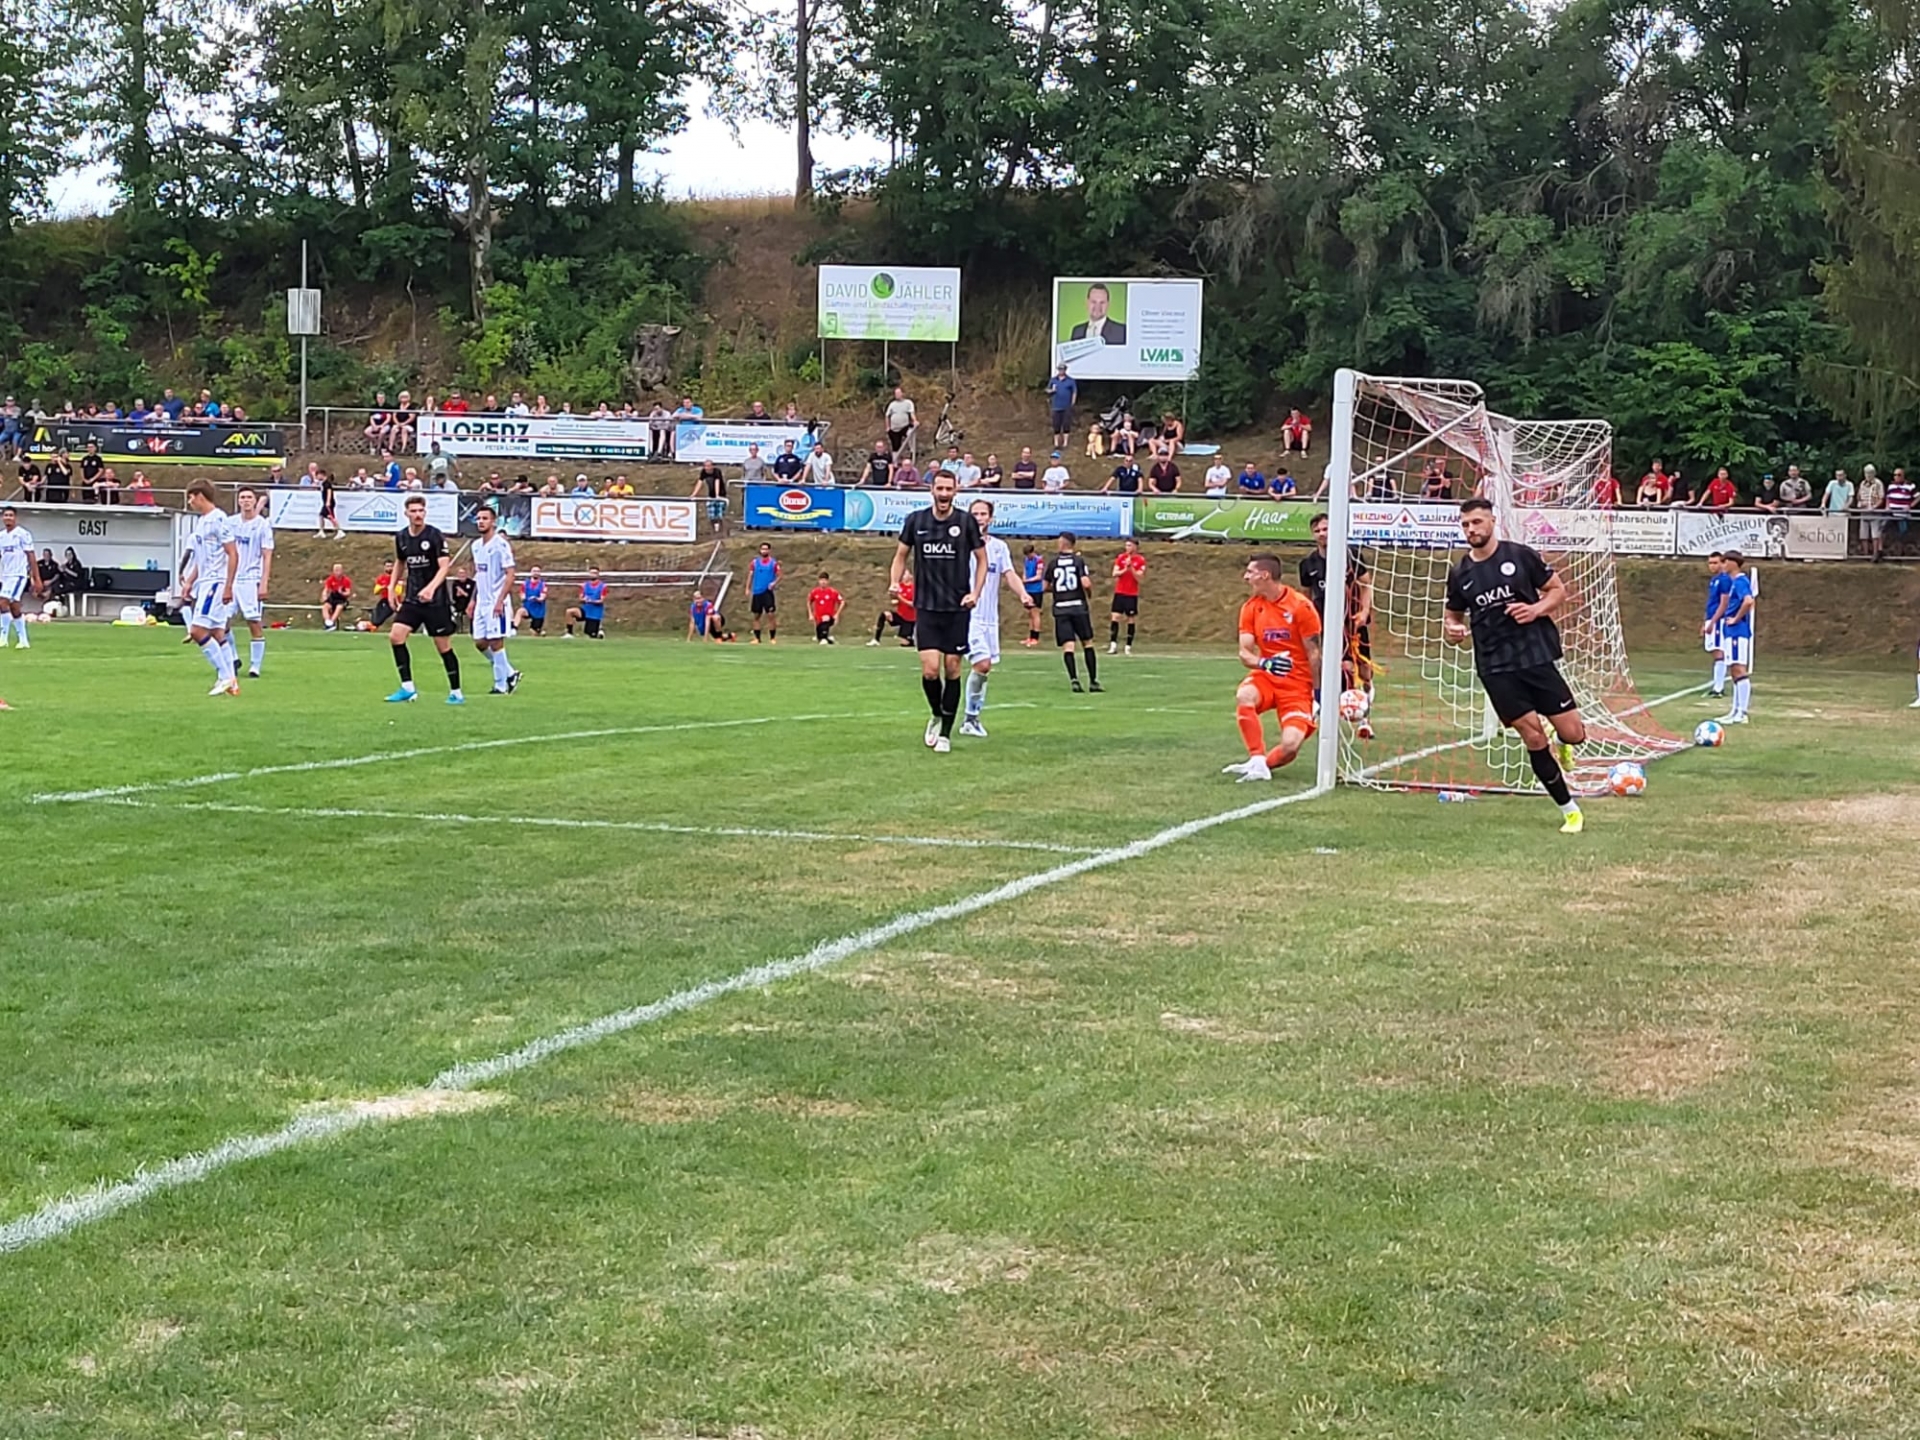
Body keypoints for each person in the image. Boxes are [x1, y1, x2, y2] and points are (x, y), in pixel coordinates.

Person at [1442, 497, 1587, 833]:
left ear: (1492, 522)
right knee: (1533, 738)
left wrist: (1535, 610)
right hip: (1495, 666)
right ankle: (1571, 812)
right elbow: (1452, 616)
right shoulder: (1461, 573)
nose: (1471, 529)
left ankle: (1562, 740)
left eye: (1477, 522)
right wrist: (1453, 629)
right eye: (1465, 525)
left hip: (1535, 657)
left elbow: (1557, 590)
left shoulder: (1520, 556)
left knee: (1574, 734)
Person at [889, 471, 988, 752]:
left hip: (957, 608)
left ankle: (945, 734)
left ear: (956, 491)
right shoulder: (916, 521)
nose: (944, 494)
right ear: (931, 489)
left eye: (949, 489)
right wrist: (894, 581)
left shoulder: (966, 522)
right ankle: (936, 714)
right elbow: (900, 556)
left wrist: (975, 593)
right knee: (931, 670)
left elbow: (982, 560)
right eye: (940, 488)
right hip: (927, 606)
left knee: (952, 667)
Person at [1222, 555, 1324, 783]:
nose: (1245, 577)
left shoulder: (1301, 607)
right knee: (1245, 695)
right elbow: (1245, 652)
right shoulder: (1251, 607)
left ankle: (1262, 766)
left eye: (1250, 572)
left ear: (1265, 575)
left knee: (1291, 745)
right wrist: (1265, 664)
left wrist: (1317, 694)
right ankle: (1256, 757)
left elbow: (1314, 653)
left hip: (1297, 686)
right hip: (1267, 677)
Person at [1299, 512, 1375, 736]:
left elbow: (1366, 585)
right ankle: (1325, 706)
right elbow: (1305, 596)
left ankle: (1366, 708)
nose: (1322, 534)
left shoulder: (1351, 555)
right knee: (1336, 665)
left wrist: (1364, 611)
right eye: (1317, 531)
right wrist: (1306, 619)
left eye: (1326, 529)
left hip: (1352, 620)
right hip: (1325, 621)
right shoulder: (1308, 564)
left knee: (1365, 671)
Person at [959, 499, 1029, 738]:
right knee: (982, 663)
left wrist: (1023, 594)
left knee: (984, 670)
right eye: (975, 514)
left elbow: (1009, 574)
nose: (979, 518)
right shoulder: (961, 544)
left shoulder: (999, 547)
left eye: (983, 514)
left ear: (990, 518)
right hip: (968, 615)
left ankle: (972, 719)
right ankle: (967, 718)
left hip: (990, 618)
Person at [386, 494, 463, 703]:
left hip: (435, 601)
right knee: (396, 637)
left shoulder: (434, 535)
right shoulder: (402, 537)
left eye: (421, 510)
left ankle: (456, 692)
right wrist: (392, 587)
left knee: (443, 646)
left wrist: (430, 588)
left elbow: (444, 566)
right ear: (406, 513)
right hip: (412, 599)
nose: (418, 515)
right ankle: (407, 687)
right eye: (413, 511)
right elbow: (400, 562)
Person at [178, 480, 241, 696]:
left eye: (191, 497)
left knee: (197, 631)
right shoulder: (202, 521)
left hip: (216, 582)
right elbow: (202, 558)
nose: (190, 502)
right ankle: (232, 682)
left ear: (200, 496)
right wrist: (190, 581)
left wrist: (228, 586)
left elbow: (232, 553)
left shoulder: (219, 519)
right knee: (216, 632)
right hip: (205, 581)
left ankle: (225, 676)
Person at [469, 503, 521, 695]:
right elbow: (479, 574)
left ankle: (501, 685)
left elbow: (510, 574)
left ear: (493, 522)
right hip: (481, 601)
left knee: (496, 641)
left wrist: (500, 600)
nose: (481, 522)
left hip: (496, 601)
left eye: (485, 518)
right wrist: (473, 600)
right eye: (479, 519)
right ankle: (510, 672)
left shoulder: (501, 545)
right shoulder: (476, 546)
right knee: (480, 642)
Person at [1045, 531, 1101, 693]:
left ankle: (1074, 680)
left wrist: (1057, 590)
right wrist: (1088, 594)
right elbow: (1086, 583)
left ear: (1063, 543)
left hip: (1061, 608)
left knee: (1068, 646)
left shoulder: (1053, 563)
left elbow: (1044, 586)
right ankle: (1093, 681)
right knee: (1087, 642)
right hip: (1078, 606)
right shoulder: (1078, 561)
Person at [230, 485, 276, 678]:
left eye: (249, 497)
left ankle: (255, 666)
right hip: (231, 578)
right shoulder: (231, 523)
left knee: (253, 622)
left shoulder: (262, 525)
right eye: (242, 497)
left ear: (255, 501)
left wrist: (264, 583)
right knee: (221, 622)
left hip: (251, 579)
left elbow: (267, 555)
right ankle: (233, 658)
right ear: (238, 501)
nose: (246, 500)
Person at [1715, 550, 1756, 725]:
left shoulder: (1740, 581)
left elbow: (1749, 601)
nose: (1722, 565)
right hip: (1731, 631)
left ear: (1733, 563)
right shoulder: (1734, 582)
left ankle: (1742, 713)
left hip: (1737, 631)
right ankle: (1735, 710)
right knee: (1733, 670)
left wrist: (1736, 619)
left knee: (1739, 668)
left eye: (1725, 562)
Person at [0, 507, 41, 648]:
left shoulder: (23, 534)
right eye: (6, 515)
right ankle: (23, 640)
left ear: (15, 518)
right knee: (14, 607)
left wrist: (36, 579)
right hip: (5, 575)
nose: (8, 518)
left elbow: (31, 556)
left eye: (11, 515)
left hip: (18, 575)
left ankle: (3, 638)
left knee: (2, 602)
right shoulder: (1, 536)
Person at [1700, 552, 1732, 697]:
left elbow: (1724, 603)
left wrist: (1713, 622)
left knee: (1719, 652)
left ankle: (1718, 688)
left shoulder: (1725, 580)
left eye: (1715, 563)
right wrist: (1705, 621)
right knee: (1714, 651)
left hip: (1718, 620)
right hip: (1711, 617)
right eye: (1710, 563)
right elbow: (1711, 602)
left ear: (1722, 563)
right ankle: (1717, 686)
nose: (1712, 566)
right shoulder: (1714, 580)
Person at [1109, 537, 1145, 654]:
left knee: (1130, 619)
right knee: (1115, 617)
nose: (1127, 548)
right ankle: (1113, 645)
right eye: (1126, 545)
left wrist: (1131, 568)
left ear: (1135, 546)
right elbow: (1115, 573)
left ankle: (1128, 646)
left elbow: (1140, 578)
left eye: (1129, 545)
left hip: (1131, 594)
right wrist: (1125, 569)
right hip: (1120, 592)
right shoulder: (1121, 558)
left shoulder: (1140, 560)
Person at [869, 573, 916, 646]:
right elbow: (895, 598)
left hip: (910, 619)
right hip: (900, 615)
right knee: (885, 614)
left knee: (904, 643)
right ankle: (876, 640)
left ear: (911, 576)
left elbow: (913, 604)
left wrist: (900, 598)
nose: (902, 576)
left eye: (905, 574)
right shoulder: (900, 586)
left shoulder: (914, 588)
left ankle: (912, 638)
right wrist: (893, 597)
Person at [748, 542, 780, 643]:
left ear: (769, 550)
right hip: (757, 592)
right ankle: (757, 638)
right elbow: (750, 575)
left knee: (770, 615)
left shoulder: (773, 563)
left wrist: (774, 583)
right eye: (762, 549)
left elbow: (780, 575)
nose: (764, 551)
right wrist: (747, 588)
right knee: (756, 616)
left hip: (767, 592)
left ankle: (772, 638)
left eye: (766, 549)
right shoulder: (755, 562)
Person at [565, 568, 608, 639]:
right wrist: (583, 599)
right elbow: (580, 598)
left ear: (598, 574)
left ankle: (599, 631)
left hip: (594, 613)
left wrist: (591, 601)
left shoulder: (602, 586)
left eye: (595, 573)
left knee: (590, 634)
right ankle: (569, 633)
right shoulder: (585, 585)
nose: (593, 575)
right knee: (569, 611)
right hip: (585, 610)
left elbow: (601, 600)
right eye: (591, 573)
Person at [692, 459, 728, 537]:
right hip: (711, 495)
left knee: (720, 515)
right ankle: (713, 532)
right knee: (711, 516)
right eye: (705, 466)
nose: (707, 468)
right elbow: (699, 482)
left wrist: (717, 495)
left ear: (712, 466)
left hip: (721, 495)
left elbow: (717, 482)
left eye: (709, 466)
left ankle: (723, 532)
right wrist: (694, 494)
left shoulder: (717, 471)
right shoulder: (703, 472)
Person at [1047, 365, 1077, 453]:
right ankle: (1056, 443)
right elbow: (1047, 390)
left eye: (1063, 369)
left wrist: (1073, 402)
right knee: (1056, 424)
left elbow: (1074, 392)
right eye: (1060, 369)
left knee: (1066, 424)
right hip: (1056, 406)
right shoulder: (1053, 380)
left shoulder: (1070, 380)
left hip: (1066, 406)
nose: (1061, 371)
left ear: (1065, 370)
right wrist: (1051, 391)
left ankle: (1065, 443)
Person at [1021, 545, 1046, 645]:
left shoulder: (1039, 561)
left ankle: (1035, 637)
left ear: (1032, 552)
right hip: (1028, 590)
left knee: (1035, 614)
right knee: (1030, 614)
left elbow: (1038, 576)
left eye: (1029, 554)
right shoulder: (1026, 560)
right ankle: (1030, 637)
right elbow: (1025, 571)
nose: (1028, 556)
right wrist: (1023, 579)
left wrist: (1027, 580)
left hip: (1036, 590)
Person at [808, 571, 842, 644]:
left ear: (828, 581)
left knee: (825, 621)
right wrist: (810, 614)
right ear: (819, 581)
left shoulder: (833, 592)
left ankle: (824, 638)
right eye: (821, 580)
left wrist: (837, 614)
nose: (823, 582)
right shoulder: (815, 592)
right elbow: (809, 601)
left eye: (825, 580)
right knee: (819, 636)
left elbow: (842, 602)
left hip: (829, 616)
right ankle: (827, 639)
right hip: (818, 618)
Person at [885, 386, 916, 458]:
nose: (897, 395)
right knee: (895, 445)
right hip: (894, 428)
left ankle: (912, 452)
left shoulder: (908, 403)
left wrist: (915, 421)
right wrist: (887, 427)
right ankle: (895, 459)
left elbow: (912, 413)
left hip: (905, 426)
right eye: (896, 394)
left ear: (902, 393)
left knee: (910, 433)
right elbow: (887, 416)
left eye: (898, 393)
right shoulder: (892, 404)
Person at [320, 563, 352, 631]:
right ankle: (328, 623)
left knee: (339, 607)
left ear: (342, 571)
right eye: (335, 570)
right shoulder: (330, 579)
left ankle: (332, 622)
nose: (337, 572)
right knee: (325, 607)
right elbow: (326, 590)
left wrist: (342, 592)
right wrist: (324, 596)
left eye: (338, 570)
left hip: (341, 599)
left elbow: (348, 593)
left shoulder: (346, 580)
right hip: (333, 597)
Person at [371, 561, 396, 627]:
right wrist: (382, 587)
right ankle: (372, 625)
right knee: (377, 616)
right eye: (387, 566)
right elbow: (376, 591)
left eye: (391, 566)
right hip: (384, 600)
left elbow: (399, 591)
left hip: (394, 601)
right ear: (384, 567)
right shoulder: (381, 578)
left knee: (381, 617)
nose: (389, 568)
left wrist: (390, 588)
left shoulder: (396, 577)